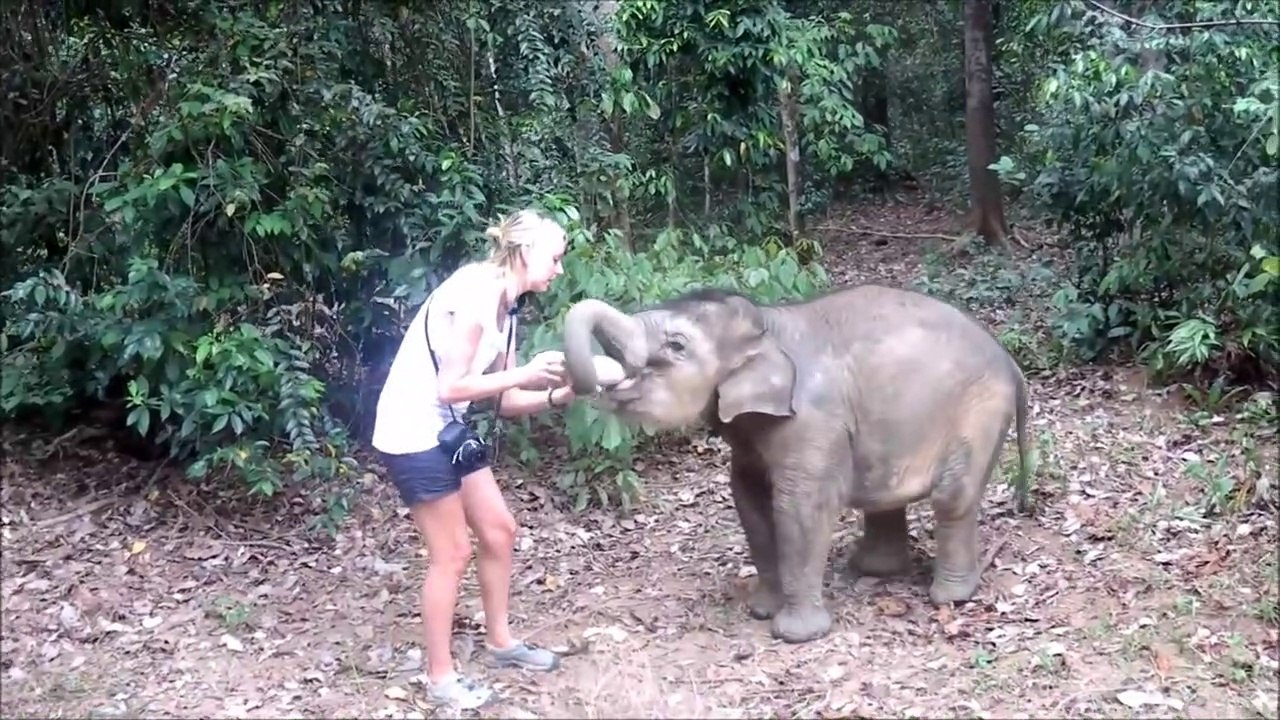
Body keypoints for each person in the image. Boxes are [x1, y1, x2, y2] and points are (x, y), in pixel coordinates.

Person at [370, 208, 577, 709]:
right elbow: (451, 386)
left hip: (446, 430)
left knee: (500, 530)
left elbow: (504, 402)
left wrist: (562, 395)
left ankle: (501, 642)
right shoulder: (476, 294)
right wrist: (525, 372)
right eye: (555, 258)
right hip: (412, 431)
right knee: (452, 553)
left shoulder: (508, 308)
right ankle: (441, 679)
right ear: (526, 253)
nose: (559, 269)